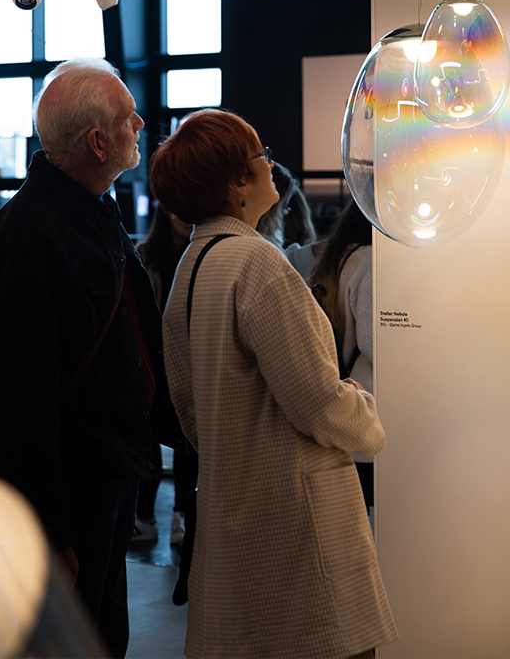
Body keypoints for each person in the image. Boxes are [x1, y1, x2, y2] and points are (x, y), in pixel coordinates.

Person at [149, 108, 398, 659]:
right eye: (260, 153)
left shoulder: (194, 264)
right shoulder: (258, 264)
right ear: (237, 180)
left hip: (236, 510)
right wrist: (365, 413)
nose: (269, 163)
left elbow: (189, 412)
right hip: (297, 525)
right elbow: (318, 404)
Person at [0, 57, 183, 659]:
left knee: (104, 634)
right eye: (126, 117)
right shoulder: (29, 234)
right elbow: (19, 396)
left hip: (107, 469)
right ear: (96, 140)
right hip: (73, 484)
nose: (140, 122)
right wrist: (50, 527)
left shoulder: (92, 213)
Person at [135, 203, 198, 547]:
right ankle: (145, 517)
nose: (186, 219)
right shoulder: (146, 254)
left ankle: (182, 517)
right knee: (150, 442)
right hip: (154, 361)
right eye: (178, 212)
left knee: (188, 444)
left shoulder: (200, 250)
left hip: (188, 358)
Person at [310, 198, 375, 511]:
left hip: (347, 389)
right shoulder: (371, 260)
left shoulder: (344, 253)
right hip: (368, 395)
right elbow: (373, 341)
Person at [257, 162, 321, 281]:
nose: (284, 214)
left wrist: (311, 251)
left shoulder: (264, 242)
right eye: (284, 206)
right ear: (272, 207)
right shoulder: (265, 245)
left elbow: (285, 260)